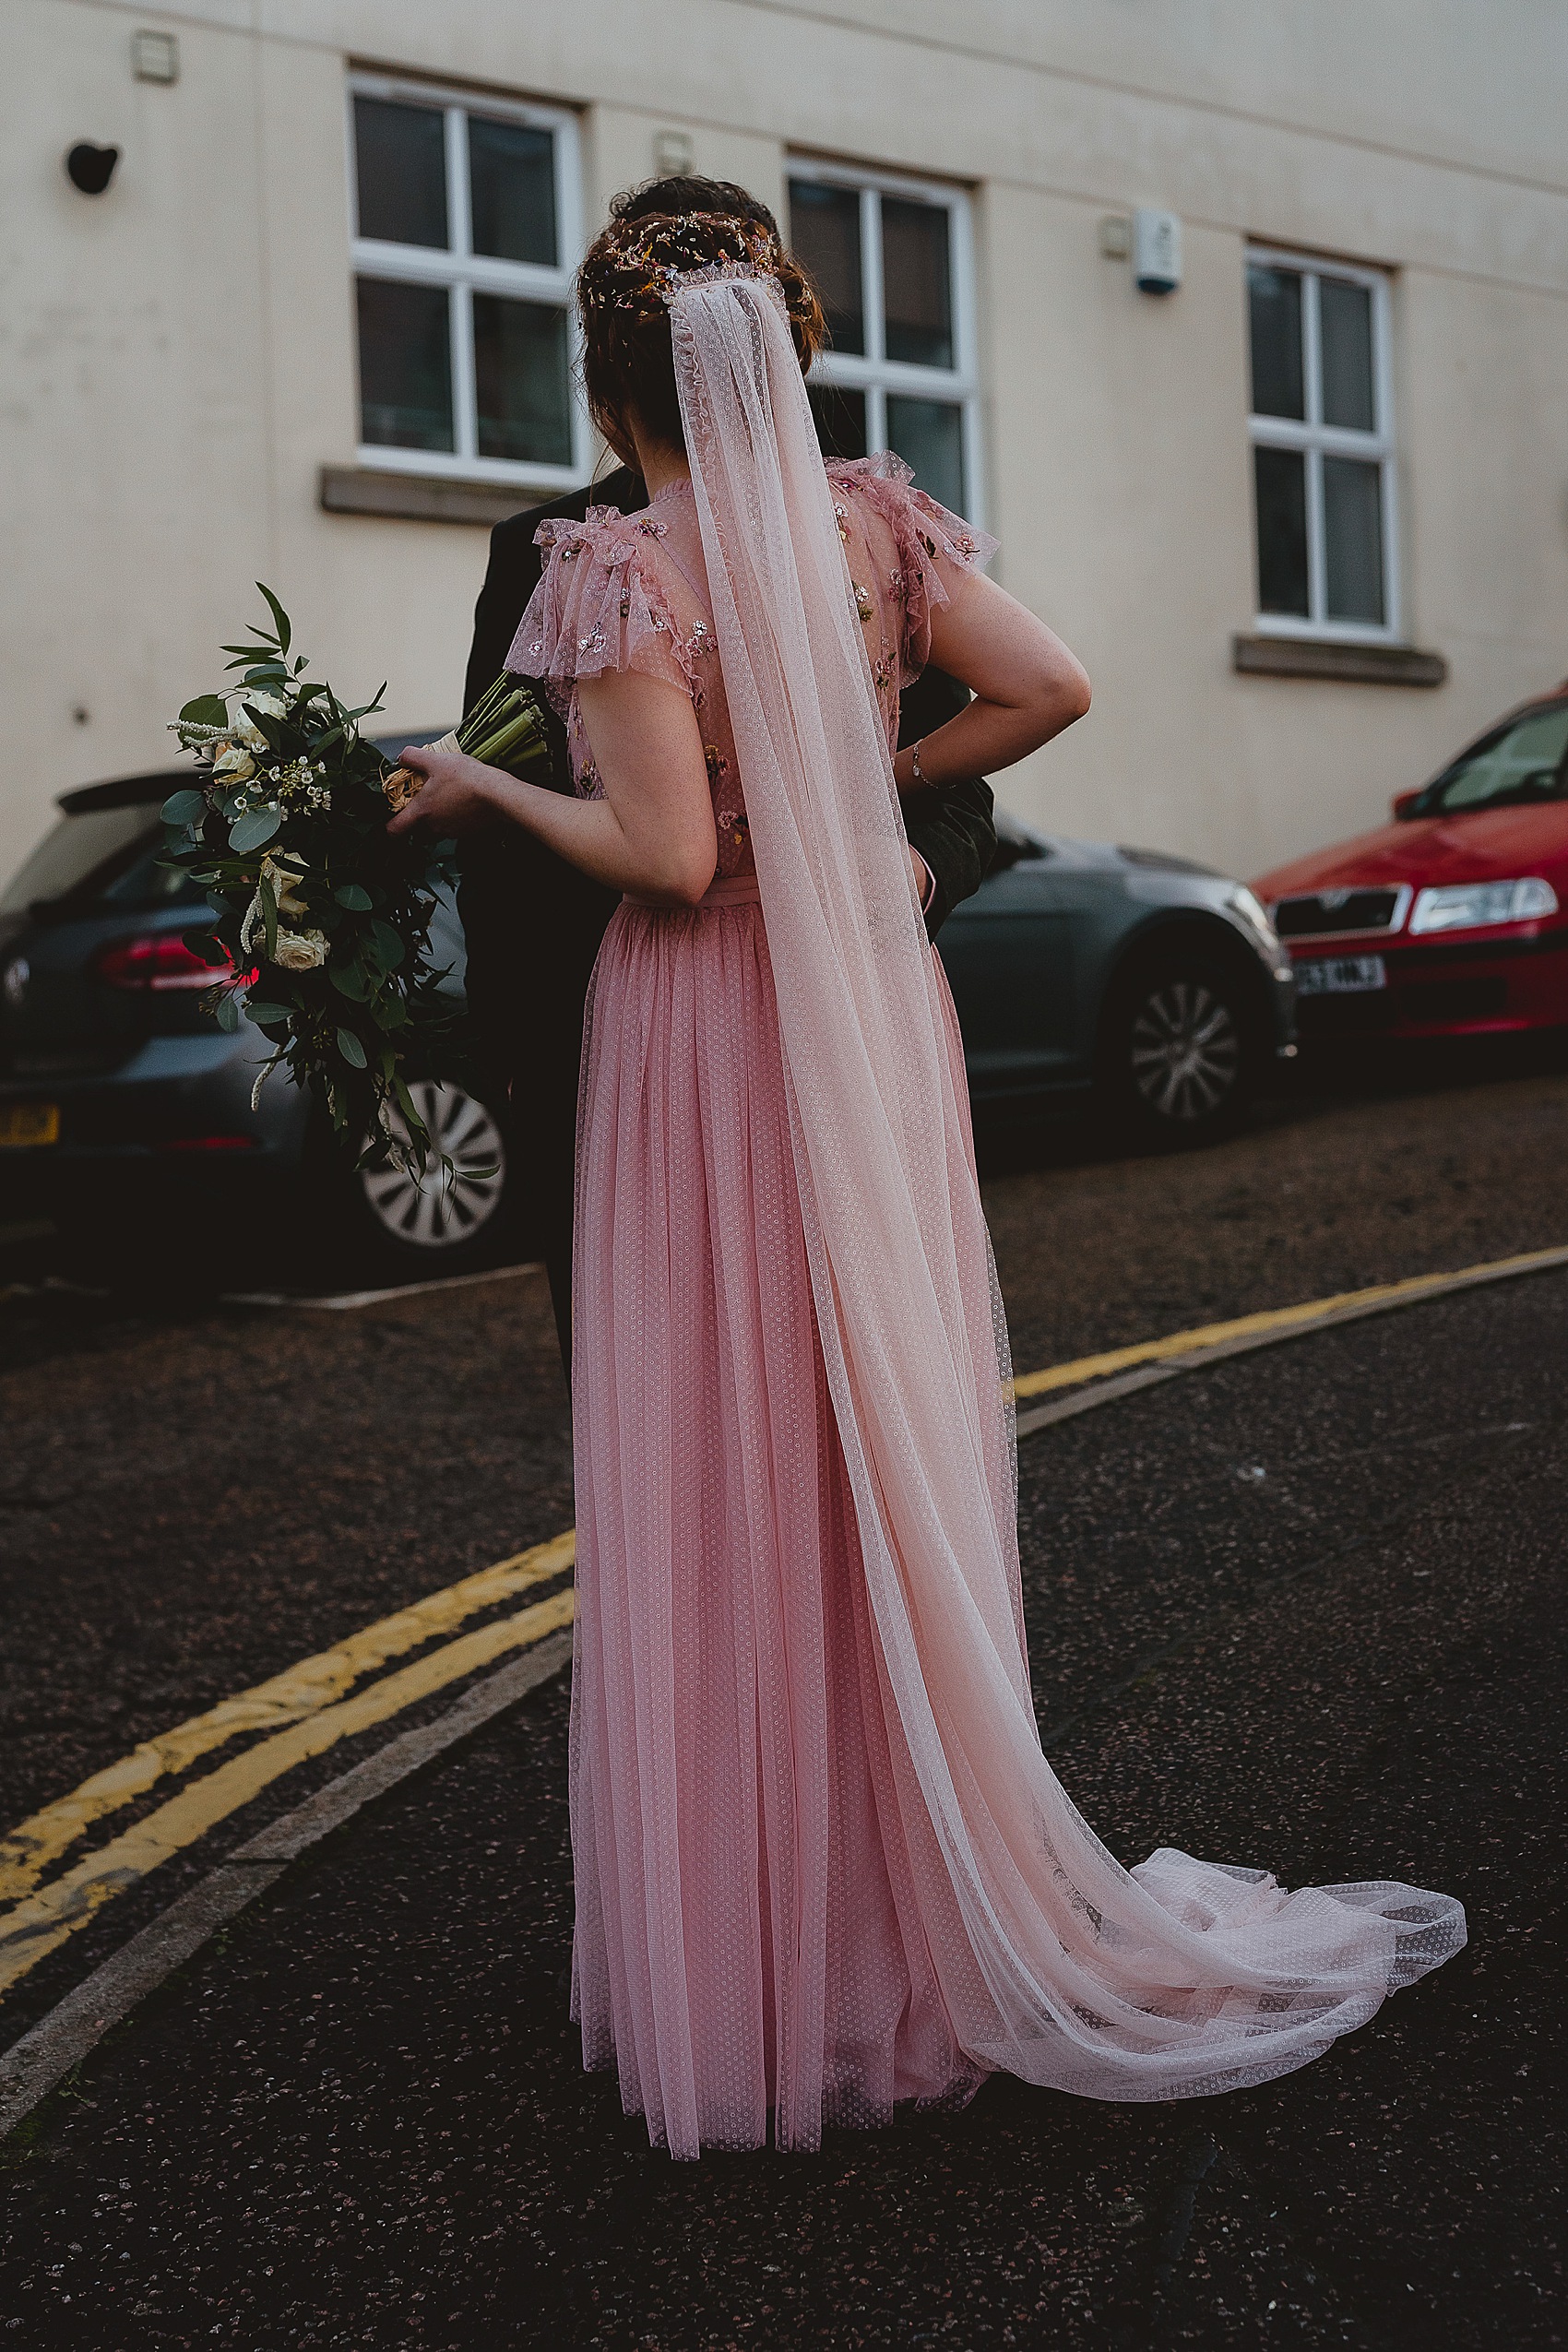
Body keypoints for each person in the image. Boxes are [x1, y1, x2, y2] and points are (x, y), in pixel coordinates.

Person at [390, 202, 1464, 2161]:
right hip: (869, 1014)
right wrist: (857, 793)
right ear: (775, 360)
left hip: (710, 1027)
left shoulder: (617, 566)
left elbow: (651, 858)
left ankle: (775, 1958)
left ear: (602, 378)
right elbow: (1049, 685)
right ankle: (907, 1913)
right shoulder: (869, 526)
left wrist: (473, 782)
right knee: (869, 1432)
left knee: (726, 1457)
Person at [457, 177, 998, 1372]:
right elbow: (499, 776)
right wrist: (511, 1043)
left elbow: (953, 791)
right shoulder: (543, 555)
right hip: (613, 1057)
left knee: (844, 1371)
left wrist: (895, 851)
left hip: (837, 1027)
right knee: (656, 1395)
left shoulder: (849, 537)